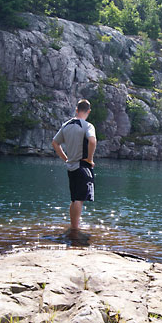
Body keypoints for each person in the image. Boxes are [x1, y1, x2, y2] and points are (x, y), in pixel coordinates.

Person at [52, 99, 97, 233]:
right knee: (79, 198)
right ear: (88, 111)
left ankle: (73, 226)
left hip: (71, 166)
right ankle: (76, 229)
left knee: (74, 198)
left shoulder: (66, 125)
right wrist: (90, 159)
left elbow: (55, 143)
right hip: (82, 165)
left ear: (76, 109)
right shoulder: (87, 126)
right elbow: (92, 141)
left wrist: (65, 158)